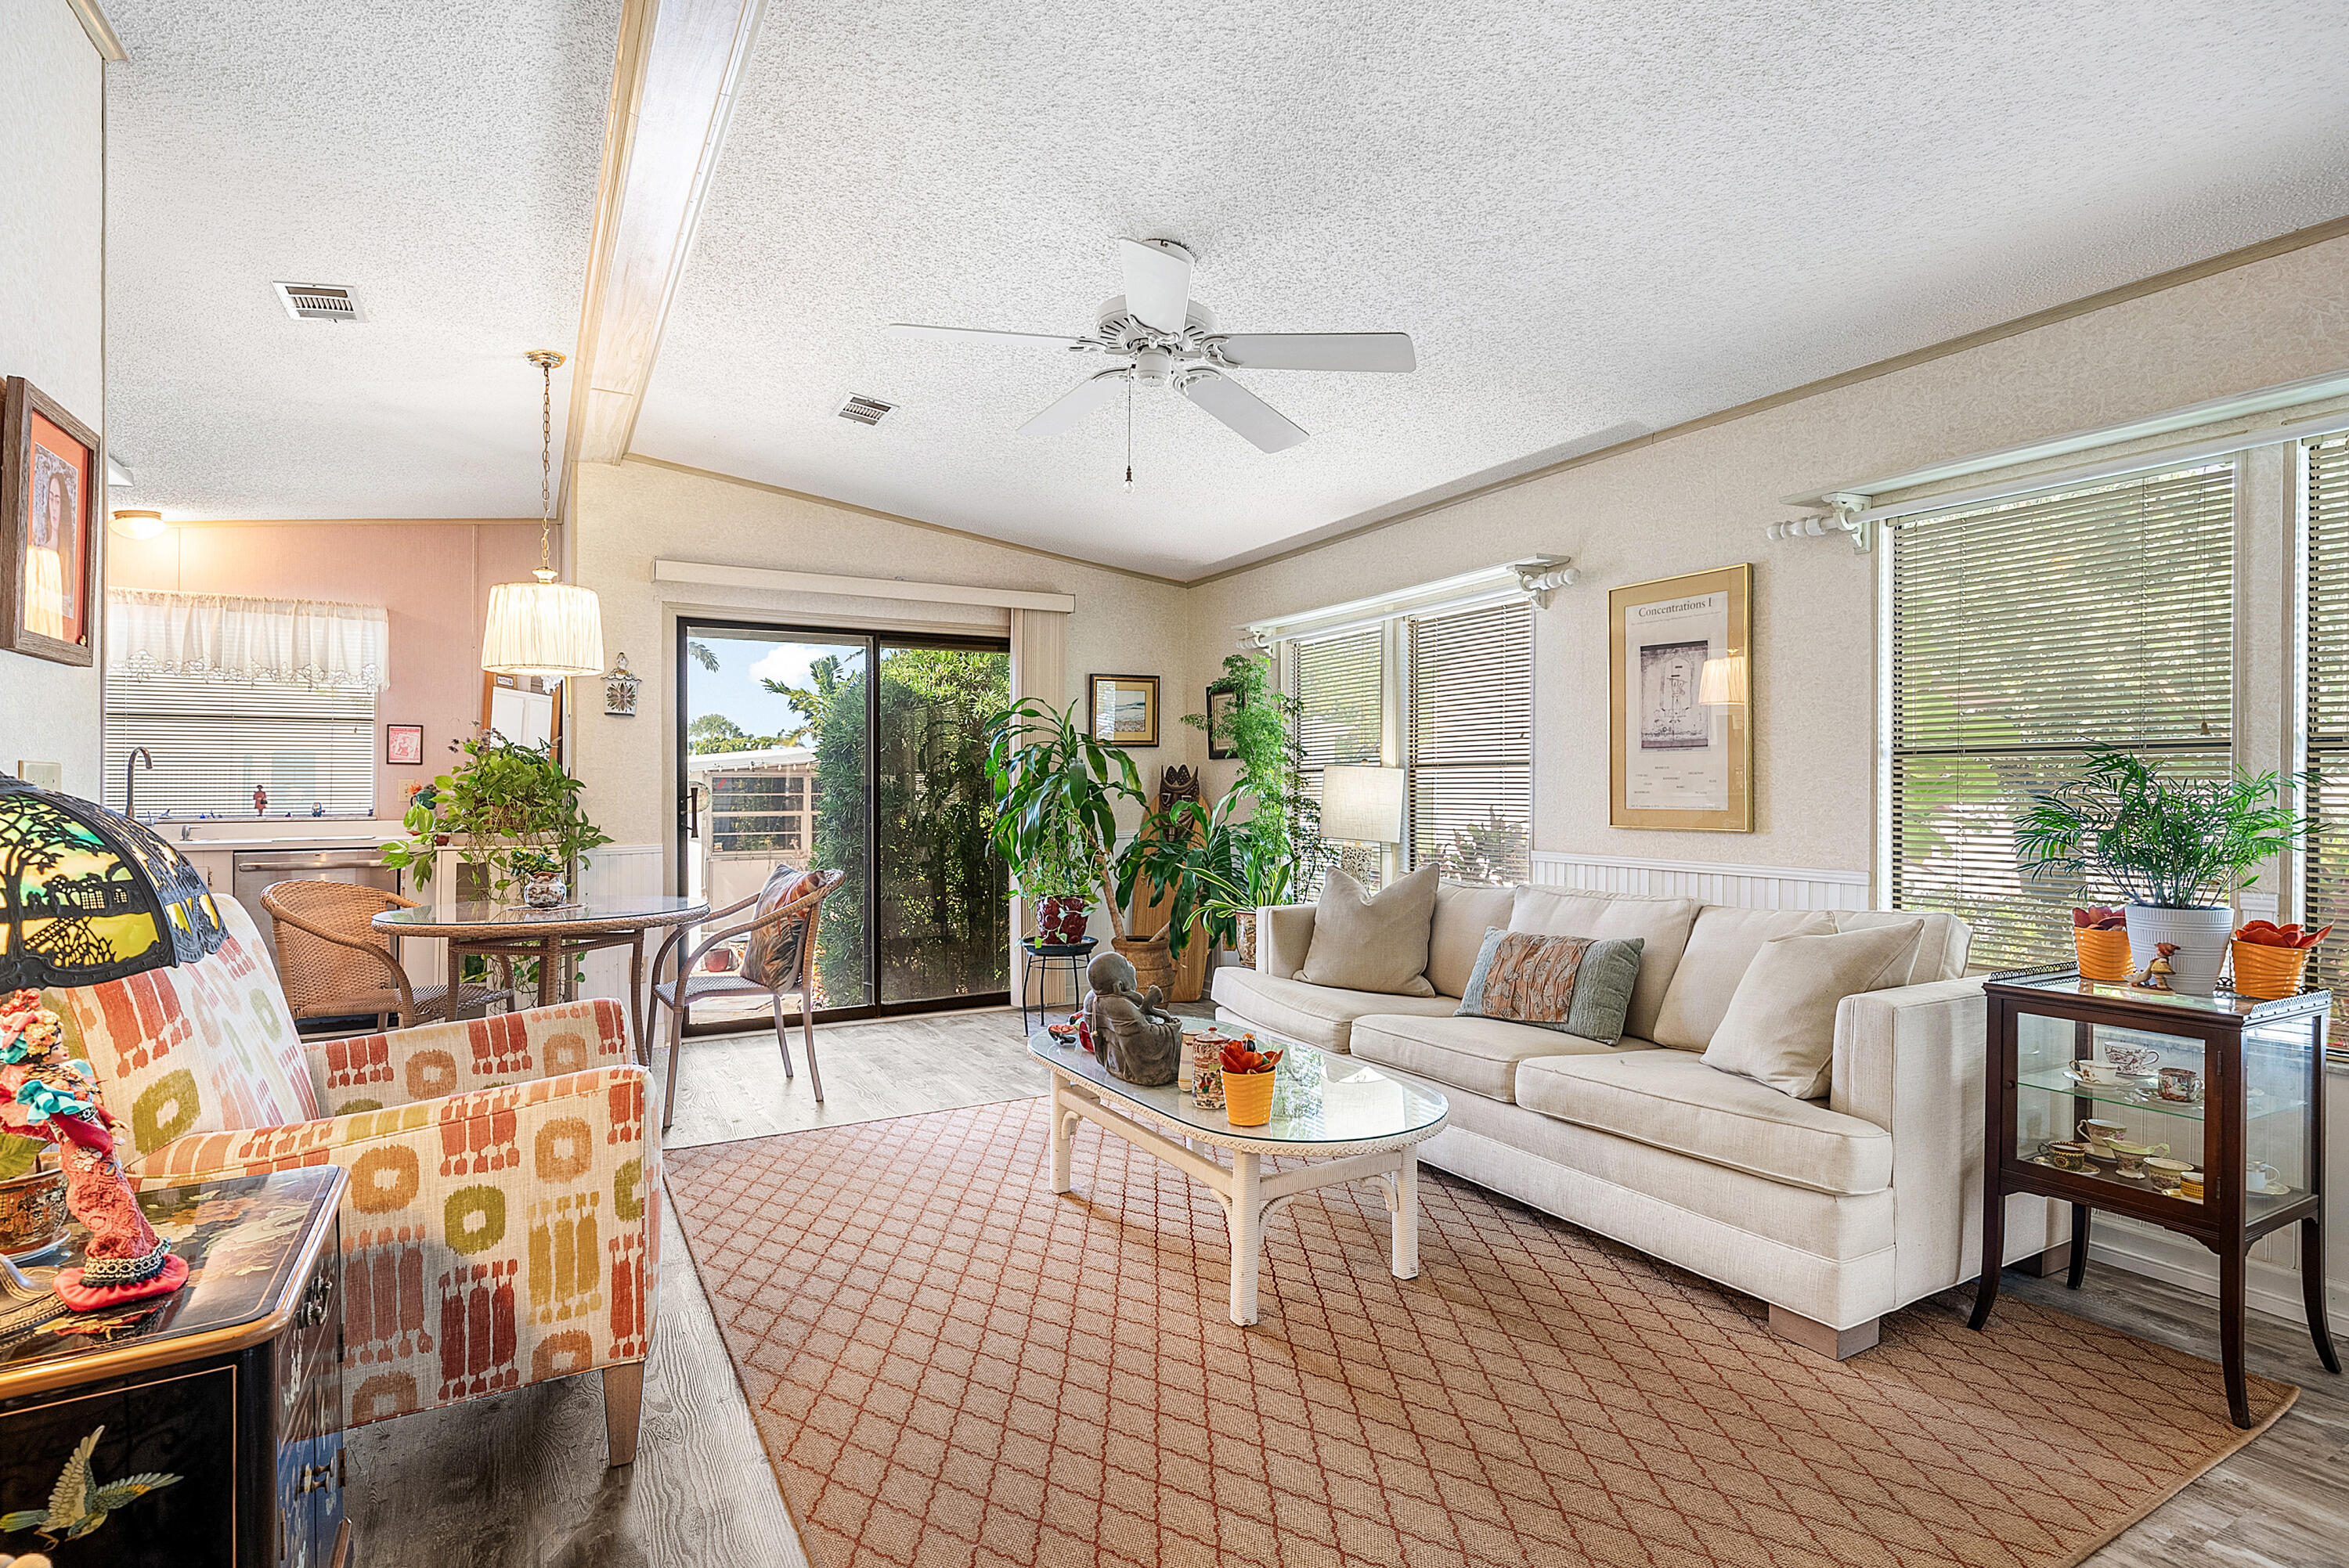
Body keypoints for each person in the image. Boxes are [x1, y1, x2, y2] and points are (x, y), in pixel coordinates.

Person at [24, 467, 73, 641]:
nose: (53, 506)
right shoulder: (37, 555)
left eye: (57, 501)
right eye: (51, 499)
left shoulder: (69, 563)